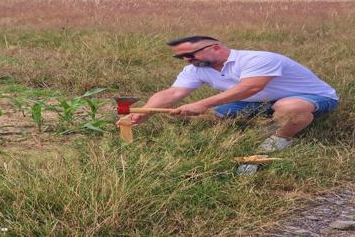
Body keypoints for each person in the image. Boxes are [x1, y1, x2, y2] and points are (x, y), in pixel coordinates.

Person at [117, 36, 339, 174]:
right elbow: (173, 92)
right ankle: (265, 121)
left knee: (290, 108)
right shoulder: (197, 68)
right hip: (255, 103)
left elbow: (249, 88)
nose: (186, 60)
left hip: (308, 97)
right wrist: (145, 113)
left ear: (215, 47)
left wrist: (201, 103)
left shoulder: (257, 59)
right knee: (193, 118)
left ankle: (278, 139)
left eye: (189, 54)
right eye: (180, 57)